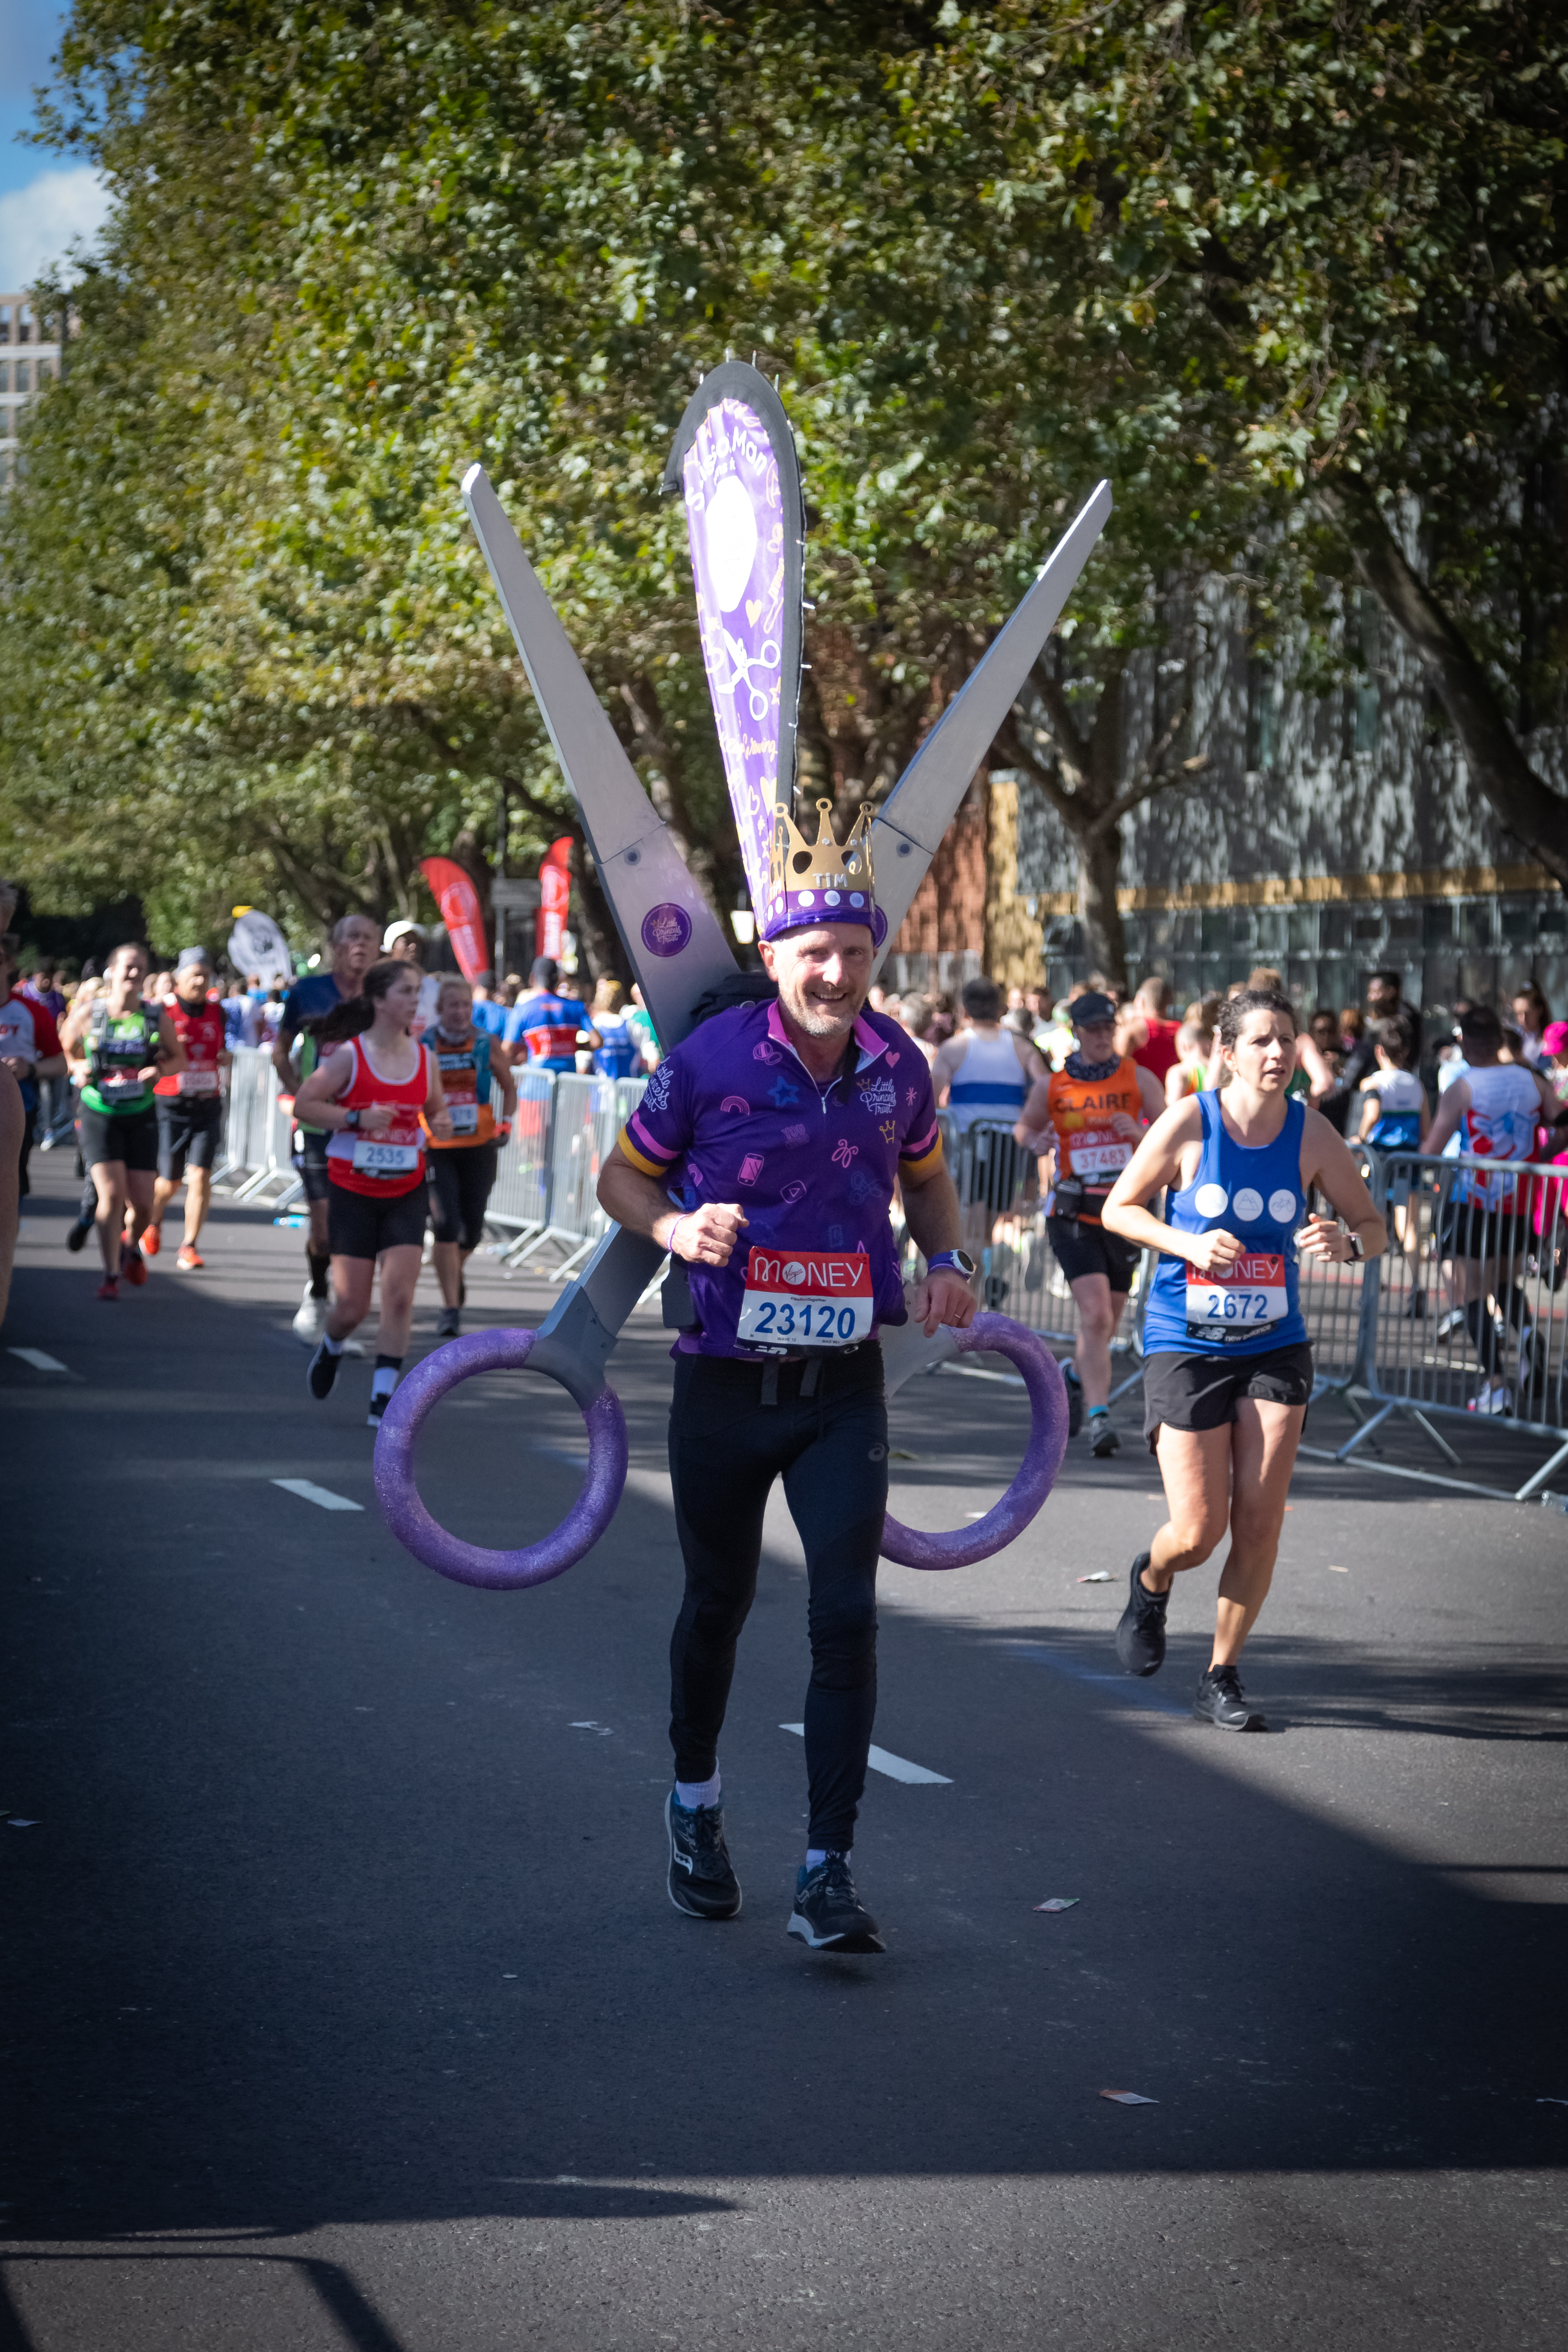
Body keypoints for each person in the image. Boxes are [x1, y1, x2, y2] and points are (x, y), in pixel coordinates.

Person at [596, 894, 977, 1957]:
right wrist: (673, 1219)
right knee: (719, 1603)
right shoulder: (712, 1060)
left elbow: (931, 1177)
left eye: (855, 955)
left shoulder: (897, 1062)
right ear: (776, 957)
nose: (837, 974)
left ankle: (827, 1869)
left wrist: (949, 1261)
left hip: (839, 1387)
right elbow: (618, 1172)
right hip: (722, 1385)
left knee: (846, 1614)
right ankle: (694, 1801)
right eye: (817, 955)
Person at [1101, 986, 1387, 1728]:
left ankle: (1220, 1673)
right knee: (1197, 1531)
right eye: (1260, 1040)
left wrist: (1347, 1243)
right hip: (1185, 1341)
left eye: (1286, 1039)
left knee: (1259, 1522)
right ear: (1224, 1052)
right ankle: (1151, 1577)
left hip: (1273, 1341)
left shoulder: (1312, 1132)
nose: (1277, 1052)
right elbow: (1118, 1207)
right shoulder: (1189, 1121)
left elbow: (1371, 1226)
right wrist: (1188, 1241)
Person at [293, 960, 452, 1427]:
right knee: (351, 1307)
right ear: (380, 1000)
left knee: (400, 1295)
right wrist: (356, 1119)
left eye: (417, 991)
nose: (414, 1000)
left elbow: (436, 1112)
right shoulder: (349, 1056)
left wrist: (438, 1124)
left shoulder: (426, 1059)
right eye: (405, 991)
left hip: (406, 1190)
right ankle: (332, 1346)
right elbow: (306, 1103)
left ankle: (384, 1397)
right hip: (353, 1190)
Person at [1014, 990, 1165, 1456]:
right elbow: (1024, 1129)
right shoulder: (1053, 1086)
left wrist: (1140, 1134)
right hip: (1072, 1213)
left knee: (1107, 1322)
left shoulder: (1139, 1078)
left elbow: (1170, 1139)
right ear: (1076, 1032)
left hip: (1126, 1214)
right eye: (1093, 1029)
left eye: (1108, 1028)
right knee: (1096, 1314)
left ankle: (1074, 1376)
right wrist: (1035, 1140)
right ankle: (1101, 1419)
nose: (1102, 1037)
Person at [1420, 1002, 1565, 1417]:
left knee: (1462, 1287)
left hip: (1473, 1201)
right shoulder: (1532, 1080)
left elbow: (1432, 1150)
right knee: (1501, 1283)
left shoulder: (1463, 1086)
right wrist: (1540, 1153)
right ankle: (1529, 1336)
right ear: (1501, 1041)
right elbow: (1564, 1122)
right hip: (1517, 1202)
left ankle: (1496, 1383)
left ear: (1464, 1042)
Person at [274, 913, 379, 1341]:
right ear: (335, 946)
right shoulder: (307, 992)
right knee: (322, 1225)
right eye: (351, 937)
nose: (360, 944)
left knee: (353, 1224)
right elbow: (280, 1051)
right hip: (319, 1127)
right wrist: (302, 1095)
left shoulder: (385, 994)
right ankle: (318, 1293)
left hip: (368, 1128)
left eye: (368, 938)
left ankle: (344, 1311)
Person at [60, 942, 185, 1299]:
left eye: (140, 968)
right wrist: (78, 1066)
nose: (134, 974)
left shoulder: (154, 1016)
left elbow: (180, 1059)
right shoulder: (89, 1013)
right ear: (111, 971)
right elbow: (65, 1049)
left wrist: (158, 1070)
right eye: (128, 966)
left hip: (140, 1112)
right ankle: (111, 1273)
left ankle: (131, 1244)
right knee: (112, 1195)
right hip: (99, 1111)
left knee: (144, 1203)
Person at [930, 976, 1049, 1306]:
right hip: (1010, 1148)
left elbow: (928, 1099)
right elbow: (1047, 1087)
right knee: (1004, 1220)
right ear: (1000, 1008)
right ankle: (1012, 1254)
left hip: (970, 1149)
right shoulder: (1022, 1046)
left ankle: (972, 1303)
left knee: (971, 1230)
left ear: (964, 1009)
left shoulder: (954, 1048)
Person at [422, 973, 517, 1338]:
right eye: (453, 1006)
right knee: (445, 1223)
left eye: (466, 1005)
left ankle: (452, 1269)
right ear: (440, 1010)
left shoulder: (485, 1042)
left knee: (472, 1230)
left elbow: (508, 1087)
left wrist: (506, 1125)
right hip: (437, 1146)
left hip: (479, 1144)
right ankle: (450, 1308)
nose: (460, 1012)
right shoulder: (425, 1043)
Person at [145, 948, 231, 1269]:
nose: (200, 981)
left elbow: (221, 1048)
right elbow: (149, 1052)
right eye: (194, 974)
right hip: (171, 1102)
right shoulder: (161, 1011)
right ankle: (151, 1222)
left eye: (205, 975)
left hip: (208, 1101)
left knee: (201, 1177)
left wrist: (226, 1057)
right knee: (170, 1182)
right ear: (178, 977)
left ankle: (188, 1246)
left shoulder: (218, 1012)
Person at [0, 940, 65, 1202]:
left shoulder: (32, 1011)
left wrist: (30, 1068)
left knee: (9, 1189)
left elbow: (60, 1064)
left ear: (10, 963)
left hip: (18, 1107)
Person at [504, 954, 594, 1072]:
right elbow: (597, 1042)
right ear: (557, 980)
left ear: (532, 979)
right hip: (568, 1084)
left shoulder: (523, 1010)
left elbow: (506, 1051)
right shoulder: (576, 1007)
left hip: (536, 1083)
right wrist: (571, 1047)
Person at [1119, 975, 1183, 1089]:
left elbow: (1118, 1071)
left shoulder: (1132, 1032)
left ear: (1141, 1001)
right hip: (1173, 1099)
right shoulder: (1182, 1031)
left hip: (1140, 1099)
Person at [587, 977, 641, 1079]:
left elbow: (583, 1064)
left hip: (601, 1091)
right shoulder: (631, 1025)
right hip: (629, 1090)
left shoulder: (594, 1026)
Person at [1512, 984, 1549, 1067]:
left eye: (1528, 1013)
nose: (1524, 1018)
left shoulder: (1550, 1037)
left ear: (1540, 1010)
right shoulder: (1513, 1037)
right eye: (1519, 1014)